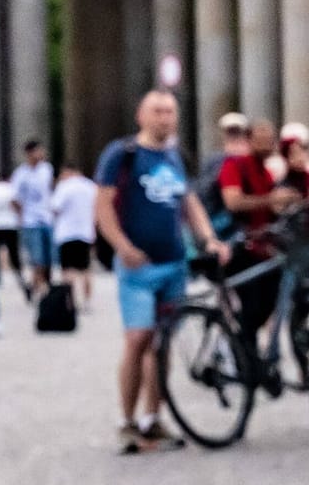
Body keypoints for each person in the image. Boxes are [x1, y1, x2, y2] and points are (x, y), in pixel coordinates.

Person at [94, 90, 232, 453]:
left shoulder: (174, 156)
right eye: (157, 111)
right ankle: (126, 421)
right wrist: (122, 246)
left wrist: (209, 240)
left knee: (163, 345)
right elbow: (103, 205)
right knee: (137, 339)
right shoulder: (121, 154)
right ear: (141, 115)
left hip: (173, 263)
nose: (165, 118)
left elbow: (189, 202)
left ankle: (152, 418)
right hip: (138, 266)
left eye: (170, 112)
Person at [218, 118, 300, 364]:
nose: (266, 144)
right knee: (252, 305)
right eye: (261, 139)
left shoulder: (266, 171)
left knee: (269, 302)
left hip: (262, 248)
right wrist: (270, 199)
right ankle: (246, 359)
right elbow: (233, 201)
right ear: (249, 140)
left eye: (270, 140)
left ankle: (248, 354)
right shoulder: (235, 166)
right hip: (238, 247)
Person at [10, 140, 56, 301]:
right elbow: (14, 199)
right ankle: (42, 288)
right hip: (31, 220)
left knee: (49, 257)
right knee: (38, 258)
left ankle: (33, 285)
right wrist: (21, 216)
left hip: (46, 218)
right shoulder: (21, 174)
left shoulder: (46, 169)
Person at [48, 162, 98, 307]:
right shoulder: (90, 186)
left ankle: (70, 301)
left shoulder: (65, 187)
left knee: (68, 270)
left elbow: (55, 207)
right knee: (86, 269)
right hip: (86, 232)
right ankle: (87, 300)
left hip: (67, 232)